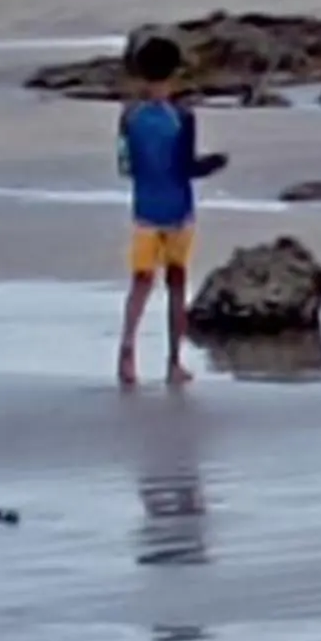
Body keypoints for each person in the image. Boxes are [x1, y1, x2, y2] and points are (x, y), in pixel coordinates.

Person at [117, 38, 227, 388]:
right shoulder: (183, 117)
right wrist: (213, 164)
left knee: (140, 282)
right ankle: (174, 362)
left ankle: (127, 351)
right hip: (178, 209)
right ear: (175, 72)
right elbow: (187, 167)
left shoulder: (129, 117)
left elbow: (125, 166)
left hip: (144, 208)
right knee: (177, 282)